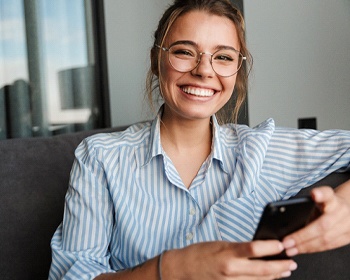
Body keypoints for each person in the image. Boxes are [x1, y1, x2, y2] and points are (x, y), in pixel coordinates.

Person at [49, 0, 350, 279]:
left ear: (237, 70)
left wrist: (344, 205)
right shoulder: (100, 157)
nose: (204, 70)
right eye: (184, 51)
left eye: (223, 57)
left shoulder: (262, 149)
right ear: (157, 61)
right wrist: (171, 268)